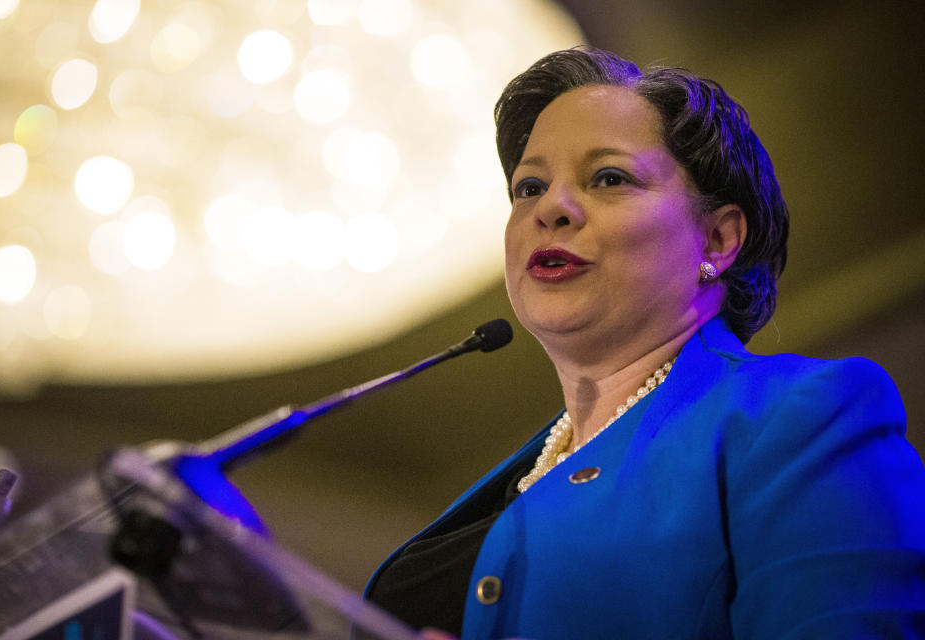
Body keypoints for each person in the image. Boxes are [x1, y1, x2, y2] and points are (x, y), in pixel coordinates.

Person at [363, 47, 925, 639]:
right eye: (529, 186)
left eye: (609, 178)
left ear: (716, 239)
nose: (550, 207)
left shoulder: (799, 417)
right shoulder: (511, 483)